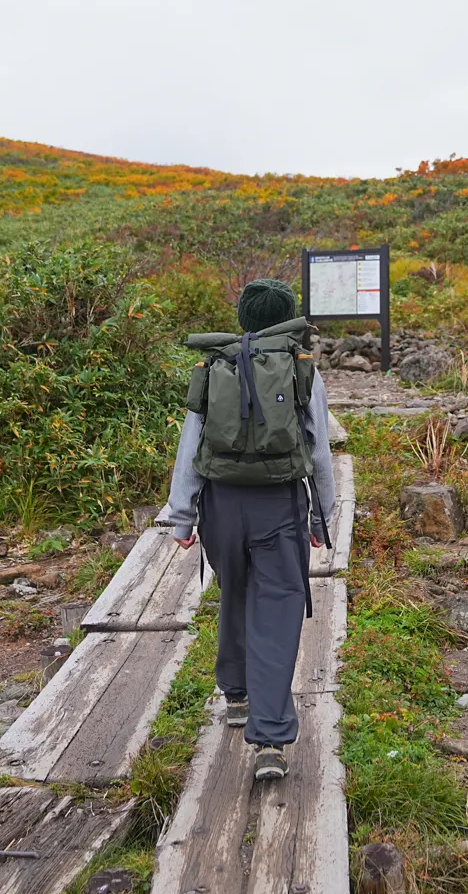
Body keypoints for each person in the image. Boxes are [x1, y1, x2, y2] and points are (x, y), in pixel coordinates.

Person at [158, 278, 336, 781]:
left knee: (234, 590)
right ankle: (271, 739)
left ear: (242, 318)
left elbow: (191, 445)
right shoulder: (300, 368)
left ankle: (235, 692)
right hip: (277, 506)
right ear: (287, 318)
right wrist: (323, 515)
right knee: (276, 608)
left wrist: (182, 515)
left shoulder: (214, 365)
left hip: (221, 504)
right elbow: (318, 449)